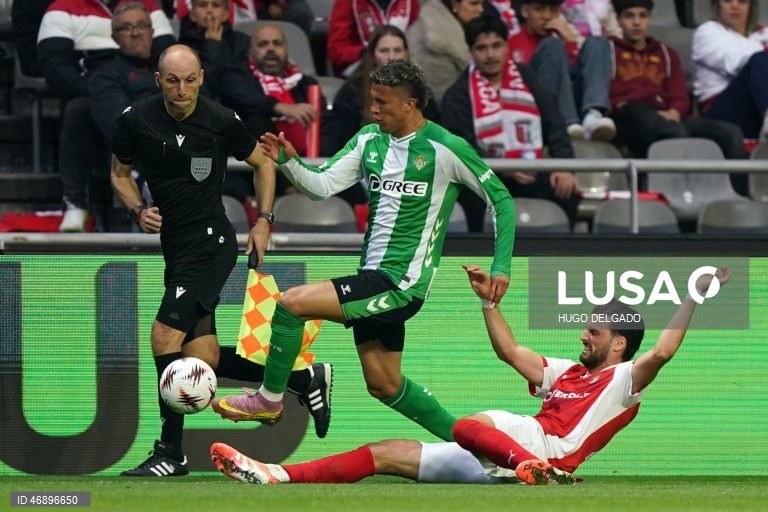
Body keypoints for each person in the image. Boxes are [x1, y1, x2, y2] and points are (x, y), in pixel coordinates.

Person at [212, 60, 516, 442]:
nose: (374, 109)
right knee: (384, 386)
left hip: (401, 284)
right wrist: (289, 161)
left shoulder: (446, 148)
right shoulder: (368, 140)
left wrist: (501, 266)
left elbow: (501, 202)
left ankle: (269, 400)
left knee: (290, 305)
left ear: (410, 105)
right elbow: (321, 187)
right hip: (372, 279)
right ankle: (478, 445)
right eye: (373, 101)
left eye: (383, 103)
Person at [210, 263, 731, 486]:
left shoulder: (624, 384)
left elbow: (662, 350)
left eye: (594, 332)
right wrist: (488, 304)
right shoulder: (568, 371)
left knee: (467, 425)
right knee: (386, 453)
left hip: (546, 450)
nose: (584, 337)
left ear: (619, 343)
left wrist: (694, 295)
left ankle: (541, 474)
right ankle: (277, 475)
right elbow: (509, 351)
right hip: (513, 459)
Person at [109, 44, 326, 476]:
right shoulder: (136, 119)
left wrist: (263, 221)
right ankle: (304, 379)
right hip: (177, 246)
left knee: (163, 337)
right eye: (172, 80)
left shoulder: (221, 119)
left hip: (210, 243)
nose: (181, 89)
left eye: (189, 79)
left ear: (202, 78)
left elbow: (264, 162)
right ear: (158, 81)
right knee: (203, 356)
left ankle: (170, 453)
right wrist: (137, 210)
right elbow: (118, 172)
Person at [36, 0, 175, 232]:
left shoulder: (148, 4)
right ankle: (75, 203)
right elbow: (54, 66)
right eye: (127, 28)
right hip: (92, 90)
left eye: (142, 26)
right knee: (82, 110)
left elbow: (165, 53)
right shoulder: (63, 6)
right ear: (115, 36)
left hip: (144, 84)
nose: (135, 32)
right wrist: (98, 90)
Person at [442, 15, 580, 229]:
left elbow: (555, 124)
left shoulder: (526, 78)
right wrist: (505, 167)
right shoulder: (458, 95)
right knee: (469, 196)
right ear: (471, 51)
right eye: (482, 48)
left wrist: (564, 167)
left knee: (566, 189)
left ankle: (561, 258)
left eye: (496, 45)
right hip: (487, 175)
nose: (490, 55)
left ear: (507, 46)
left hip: (531, 168)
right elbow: (461, 150)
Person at [218, 23, 365, 204]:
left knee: (334, 131)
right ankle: (289, 188)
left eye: (277, 43)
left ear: (286, 49)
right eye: (263, 44)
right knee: (255, 122)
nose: (271, 49)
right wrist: (281, 107)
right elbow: (239, 98)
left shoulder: (305, 83)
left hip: (308, 163)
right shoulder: (236, 76)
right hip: (260, 169)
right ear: (251, 51)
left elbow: (324, 126)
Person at [608, 0, 748, 163]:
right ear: (618, 21)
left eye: (643, 16)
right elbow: (601, 90)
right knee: (670, 130)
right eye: (629, 16)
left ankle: (738, 188)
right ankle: (673, 187)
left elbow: (680, 96)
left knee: (731, 133)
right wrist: (617, 103)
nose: (637, 22)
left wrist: (674, 111)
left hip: (666, 116)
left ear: (650, 19)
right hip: (628, 114)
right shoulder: (608, 50)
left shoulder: (667, 54)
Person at [508, 0, 615, 141]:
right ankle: (567, 121)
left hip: (573, 104)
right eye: (540, 9)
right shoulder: (511, 40)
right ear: (525, 11)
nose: (547, 16)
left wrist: (569, 41)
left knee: (598, 42)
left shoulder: (564, 35)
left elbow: (576, 76)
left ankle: (593, 114)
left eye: (553, 11)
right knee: (551, 45)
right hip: (538, 106)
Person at [333, 24, 440, 152]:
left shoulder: (421, 91)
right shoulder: (352, 93)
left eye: (397, 50)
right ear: (373, 55)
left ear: (406, 53)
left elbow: (435, 138)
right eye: (384, 51)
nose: (391, 57)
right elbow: (343, 146)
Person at [693, 0, 768, 142]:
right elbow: (737, 63)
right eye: (728, 0)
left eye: (742, 1)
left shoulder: (763, 33)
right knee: (760, 60)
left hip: (756, 109)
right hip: (722, 111)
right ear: (717, 4)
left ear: (750, 6)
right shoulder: (708, 31)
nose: (735, 6)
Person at [406, 0, 485, 106]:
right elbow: (471, 65)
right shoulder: (439, 31)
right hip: (443, 104)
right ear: (455, 5)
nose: (481, 10)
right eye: (474, 4)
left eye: (482, 4)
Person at [177, 0, 250, 99]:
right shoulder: (182, 48)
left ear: (225, 14)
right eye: (203, 5)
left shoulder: (241, 42)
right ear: (193, 15)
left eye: (216, 5)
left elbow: (238, 82)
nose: (209, 10)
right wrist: (212, 45)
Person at [326, 0, 420, 77]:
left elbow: (418, 45)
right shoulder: (346, 3)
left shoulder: (411, 3)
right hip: (361, 65)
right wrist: (367, 52)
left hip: (403, 64)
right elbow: (336, 50)